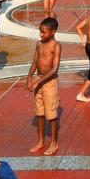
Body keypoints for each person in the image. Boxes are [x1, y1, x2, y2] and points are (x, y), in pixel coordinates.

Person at [26, 17, 61, 155]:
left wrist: (39, 82)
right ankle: (40, 141)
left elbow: (54, 69)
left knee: (51, 114)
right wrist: (29, 76)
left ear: (53, 32)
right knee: (39, 112)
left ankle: (54, 142)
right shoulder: (39, 44)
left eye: (44, 32)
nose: (41, 34)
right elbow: (35, 61)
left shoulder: (56, 46)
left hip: (49, 82)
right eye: (40, 32)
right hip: (38, 80)